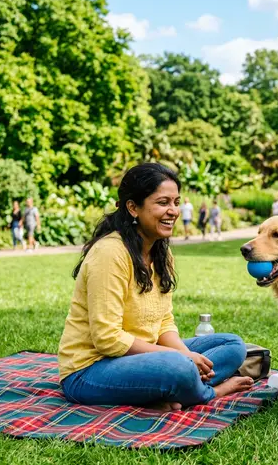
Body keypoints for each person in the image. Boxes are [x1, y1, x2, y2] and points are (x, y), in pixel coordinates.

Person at [58, 163, 253, 411]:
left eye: (176, 202)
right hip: (89, 370)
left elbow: (164, 323)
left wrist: (186, 355)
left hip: (148, 356)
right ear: (133, 207)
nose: (173, 211)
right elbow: (107, 339)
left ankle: (175, 387)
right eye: (163, 202)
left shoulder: (161, 252)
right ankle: (209, 392)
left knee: (232, 345)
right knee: (177, 367)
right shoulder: (110, 253)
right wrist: (182, 359)